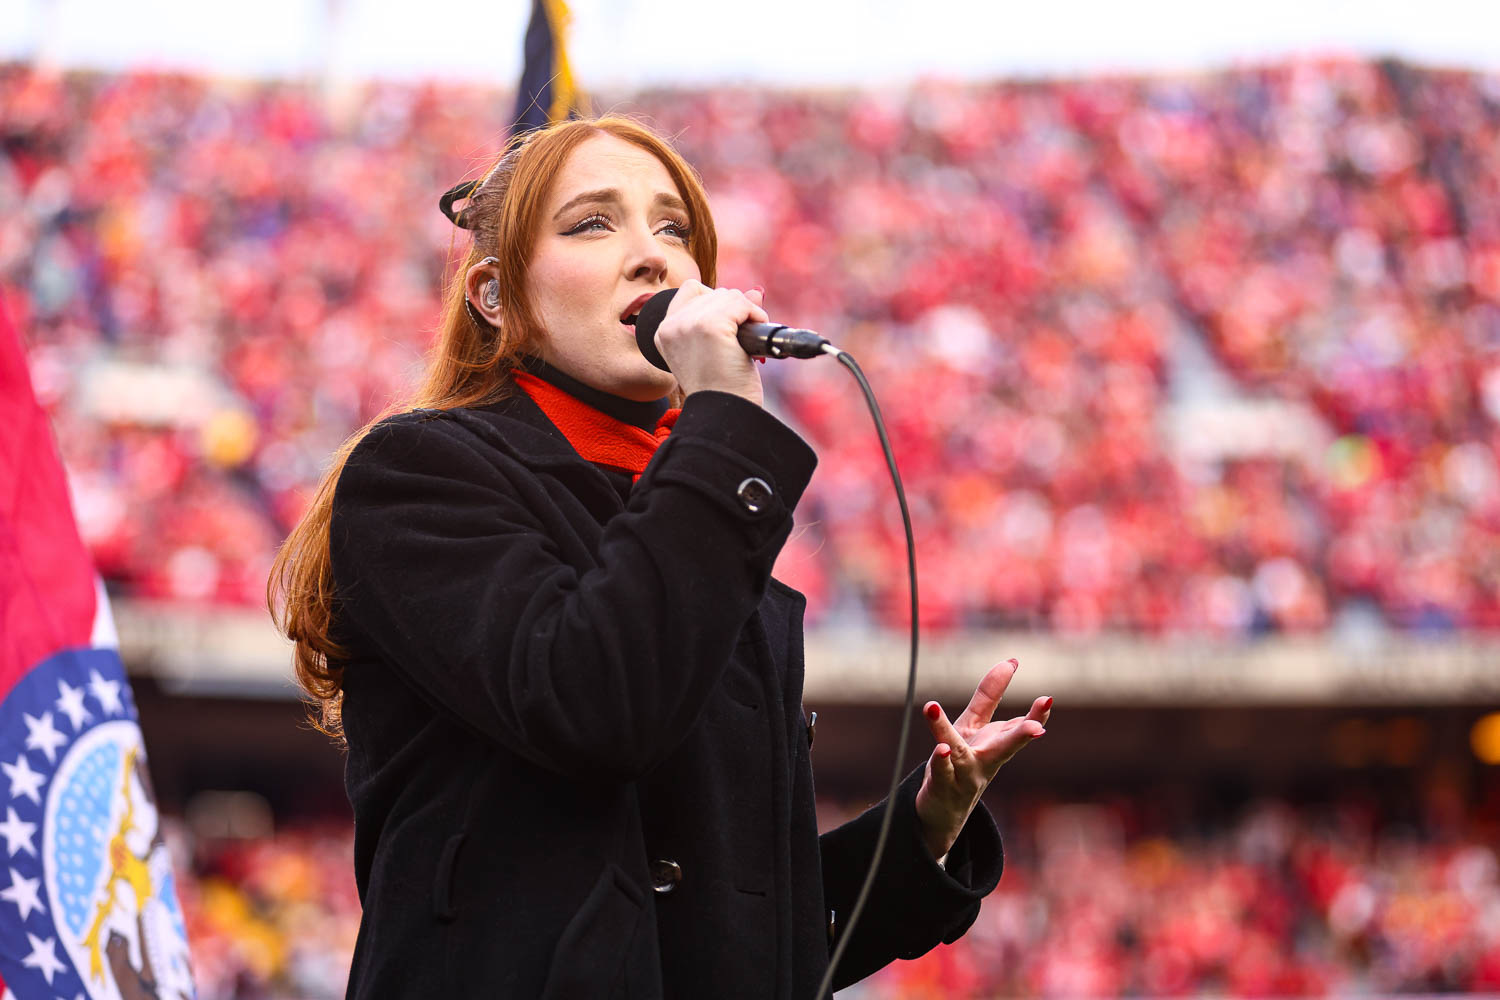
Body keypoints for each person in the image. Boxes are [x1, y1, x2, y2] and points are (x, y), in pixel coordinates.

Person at [269, 115, 1051, 999]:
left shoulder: (707, 529)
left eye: (673, 227)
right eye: (592, 223)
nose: (656, 258)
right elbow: (595, 703)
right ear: (493, 295)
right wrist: (723, 423)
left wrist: (922, 827)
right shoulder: (420, 473)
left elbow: (756, 934)